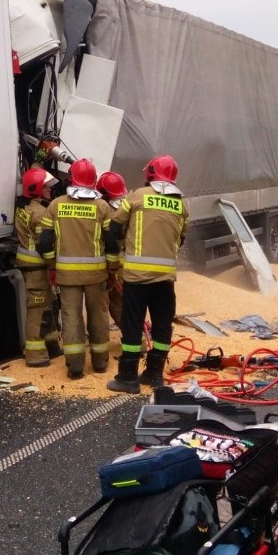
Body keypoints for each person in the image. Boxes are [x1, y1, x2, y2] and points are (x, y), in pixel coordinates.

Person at [106, 155, 189, 394]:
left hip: (137, 278)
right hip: (165, 280)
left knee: (132, 325)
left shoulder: (136, 197)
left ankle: (127, 377)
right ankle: (154, 374)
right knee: (162, 326)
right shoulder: (181, 204)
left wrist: (119, 250)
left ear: (150, 174)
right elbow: (181, 239)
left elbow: (114, 229)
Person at [37, 158, 118, 380]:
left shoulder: (55, 206)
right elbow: (112, 244)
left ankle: (75, 367)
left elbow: (44, 243)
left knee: (71, 318)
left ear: (71, 179)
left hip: (67, 276)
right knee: (99, 316)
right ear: (93, 181)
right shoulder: (103, 207)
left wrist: (53, 265)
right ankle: (100, 364)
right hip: (97, 275)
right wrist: (112, 269)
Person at [15, 167, 62, 367]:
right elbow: (46, 244)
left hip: (30, 266)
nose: (50, 191)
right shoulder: (41, 213)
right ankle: (35, 355)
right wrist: (54, 264)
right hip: (38, 268)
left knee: (48, 305)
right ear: (36, 189)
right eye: (46, 187)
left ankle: (51, 346)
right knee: (38, 309)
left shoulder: (24, 208)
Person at [97, 171, 127, 330]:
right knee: (122, 302)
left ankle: (135, 338)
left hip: (113, 266)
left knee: (116, 302)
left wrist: (112, 271)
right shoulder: (125, 207)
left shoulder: (106, 210)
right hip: (124, 265)